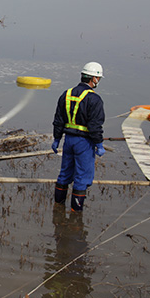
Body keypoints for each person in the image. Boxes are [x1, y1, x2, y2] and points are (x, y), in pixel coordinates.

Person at [51, 62, 106, 212]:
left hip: (68, 141)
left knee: (64, 173)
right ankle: (76, 215)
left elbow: (58, 120)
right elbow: (95, 126)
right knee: (82, 178)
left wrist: (57, 139)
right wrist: (99, 144)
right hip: (84, 142)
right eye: (98, 78)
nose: (98, 81)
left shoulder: (66, 94)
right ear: (93, 79)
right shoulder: (94, 99)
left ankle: (58, 207)